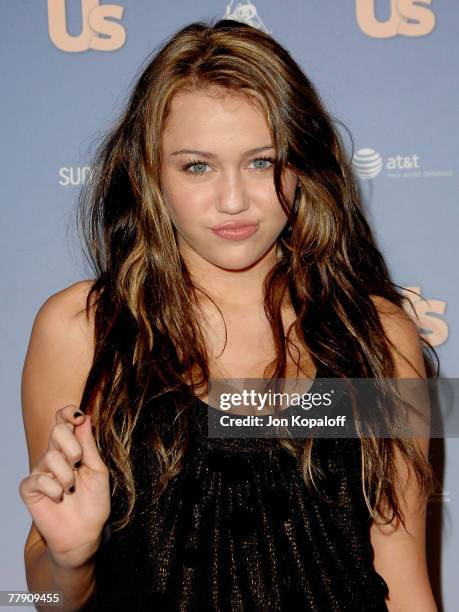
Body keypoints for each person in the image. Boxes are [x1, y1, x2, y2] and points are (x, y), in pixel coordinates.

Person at [19, 18, 439, 612]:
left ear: (302, 164)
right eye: (198, 166)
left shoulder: (376, 335)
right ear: (150, 174)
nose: (234, 199)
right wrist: (68, 557)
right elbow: (41, 597)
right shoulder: (83, 328)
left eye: (263, 162)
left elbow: (404, 583)